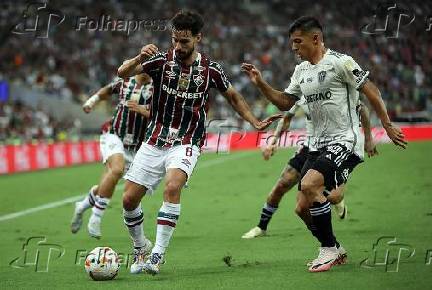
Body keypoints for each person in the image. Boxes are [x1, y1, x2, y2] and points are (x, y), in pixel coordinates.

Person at [116, 10, 281, 275]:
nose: (178, 47)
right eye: (175, 40)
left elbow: (234, 96)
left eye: (184, 41)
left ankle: (157, 254)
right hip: (155, 139)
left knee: (172, 186)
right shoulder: (159, 61)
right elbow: (122, 72)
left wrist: (254, 121)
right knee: (128, 200)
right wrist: (139, 56)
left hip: (187, 140)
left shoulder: (210, 69)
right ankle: (140, 247)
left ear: (198, 38)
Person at [242, 16, 406, 272]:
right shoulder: (301, 71)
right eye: (291, 43)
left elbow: (371, 90)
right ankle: (335, 247)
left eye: (298, 42)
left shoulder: (341, 62)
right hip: (316, 145)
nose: (293, 47)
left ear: (315, 38)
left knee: (309, 184)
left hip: (344, 141)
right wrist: (261, 83)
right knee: (300, 207)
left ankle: (327, 250)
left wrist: (385, 125)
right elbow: (286, 103)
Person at [242, 99, 377, 239]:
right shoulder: (303, 87)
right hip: (311, 145)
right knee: (283, 184)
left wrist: (368, 138)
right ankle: (261, 227)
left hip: (337, 145)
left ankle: (334, 207)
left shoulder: (337, 87)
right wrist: (273, 141)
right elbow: (286, 118)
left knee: (333, 196)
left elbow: (362, 108)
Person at [70, 73, 152, 239]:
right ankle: (96, 216)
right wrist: (91, 102)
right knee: (116, 170)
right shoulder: (125, 82)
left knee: (111, 183)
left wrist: (142, 110)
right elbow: (106, 90)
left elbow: (161, 117)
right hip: (114, 134)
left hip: (136, 146)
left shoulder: (157, 88)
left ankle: (82, 205)